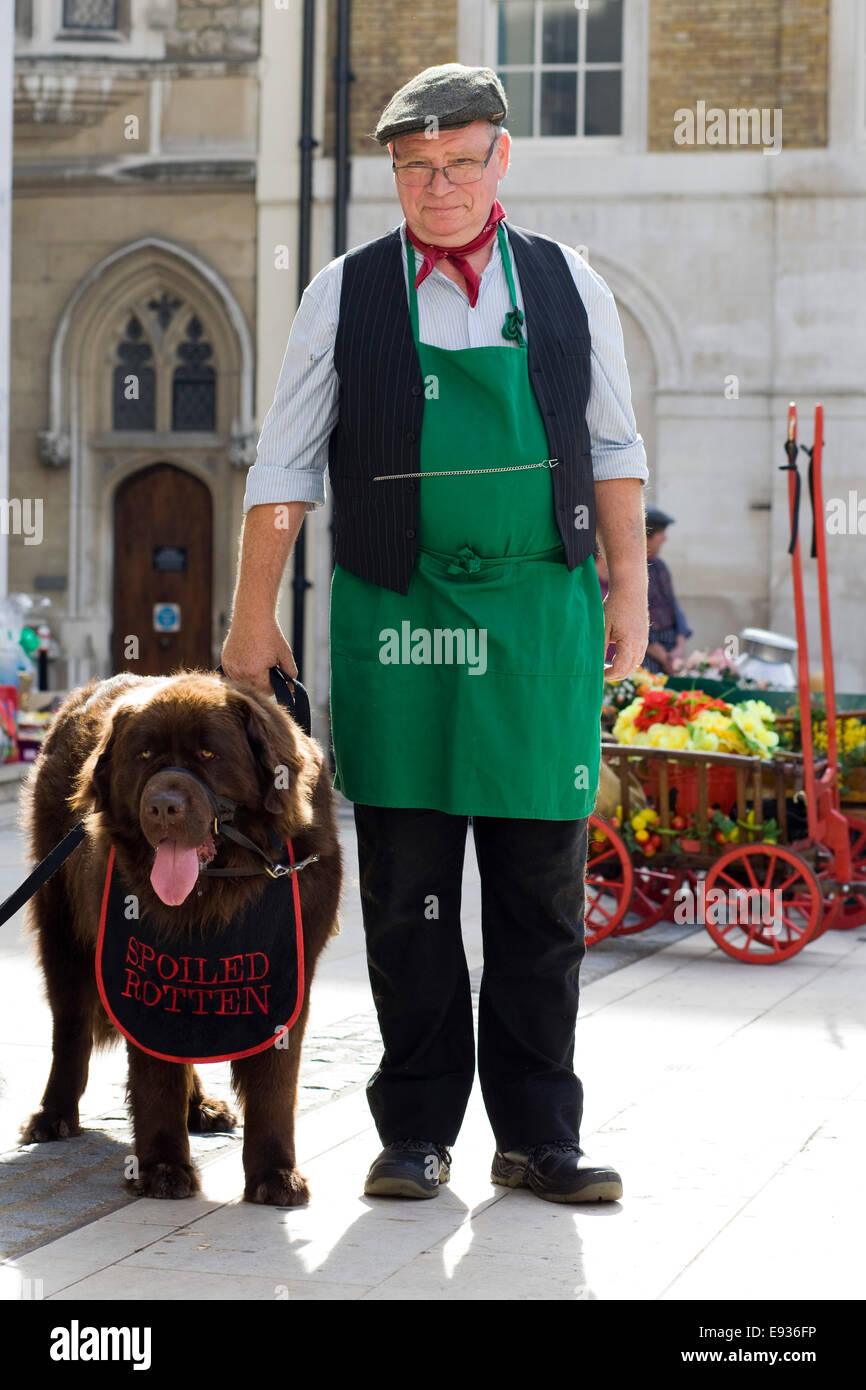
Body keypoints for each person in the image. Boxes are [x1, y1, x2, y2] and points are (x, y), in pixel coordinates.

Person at [222, 64, 649, 1205]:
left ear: (499, 159)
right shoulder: (342, 292)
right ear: (394, 173)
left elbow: (611, 446)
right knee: (408, 890)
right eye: (416, 167)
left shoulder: (567, 284)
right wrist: (250, 610)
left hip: (537, 617)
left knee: (535, 893)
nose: (439, 185)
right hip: (394, 611)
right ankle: (412, 1131)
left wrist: (628, 589)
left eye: (460, 162)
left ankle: (538, 1137)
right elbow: (284, 462)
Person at [643, 507, 692, 674]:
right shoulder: (630, 569)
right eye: (661, 532)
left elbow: (674, 606)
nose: (665, 538)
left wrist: (680, 644)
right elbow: (634, 613)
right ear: (647, 534)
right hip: (647, 651)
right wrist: (661, 655)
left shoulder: (660, 566)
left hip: (671, 646)